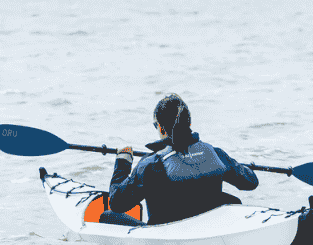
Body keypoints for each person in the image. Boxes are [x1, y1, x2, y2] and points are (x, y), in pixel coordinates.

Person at [104, 94, 259, 227]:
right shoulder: (215, 153)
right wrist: (236, 165)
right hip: (209, 229)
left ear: (161, 129)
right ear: (189, 123)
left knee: (108, 216)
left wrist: (122, 163)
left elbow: (117, 204)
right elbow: (250, 182)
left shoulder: (151, 164)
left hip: (168, 235)